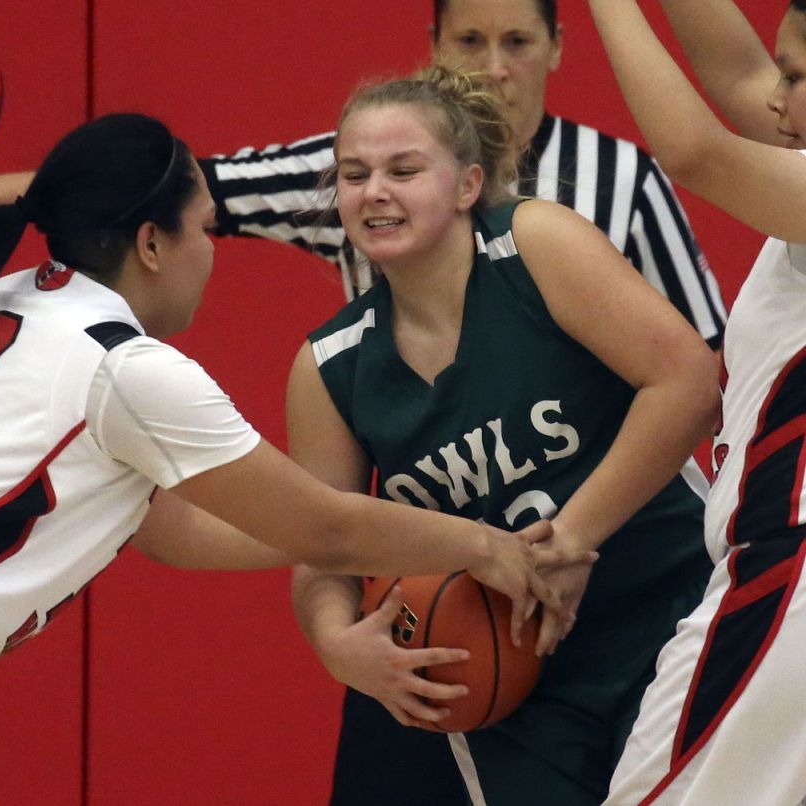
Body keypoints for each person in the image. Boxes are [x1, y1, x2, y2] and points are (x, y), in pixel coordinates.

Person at [0, 16, 590, 804]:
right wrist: (483, 545)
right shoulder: (129, 368)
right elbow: (321, 527)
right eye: (205, 228)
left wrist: (396, 532)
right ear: (151, 245)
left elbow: (183, 531)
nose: (210, 252)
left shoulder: (18, 300)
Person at [285, 65, 720, 805]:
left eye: (403, 169)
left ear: (465, 186)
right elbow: (323, 547)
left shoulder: (532, 244)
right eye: (354, 175)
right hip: (514, 683)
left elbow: (686, 382)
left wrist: (570, 541)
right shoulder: (328, 366)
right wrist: (337, 641)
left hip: (671, 609)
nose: (374, 191)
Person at [196, 0, 727, 347]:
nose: (494, 67)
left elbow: (706, 353)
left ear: (558, 45)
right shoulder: (355, 167)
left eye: (517, 42)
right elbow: (188, 189)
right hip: (434, 492)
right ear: (435, 42)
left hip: (601, 495)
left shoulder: (623, 177)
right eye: (470, 40)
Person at [587, 1, 806, 803]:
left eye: (797, 76)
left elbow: (692, 151)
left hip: (787, 589)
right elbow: (740, 73)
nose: (772, 97)